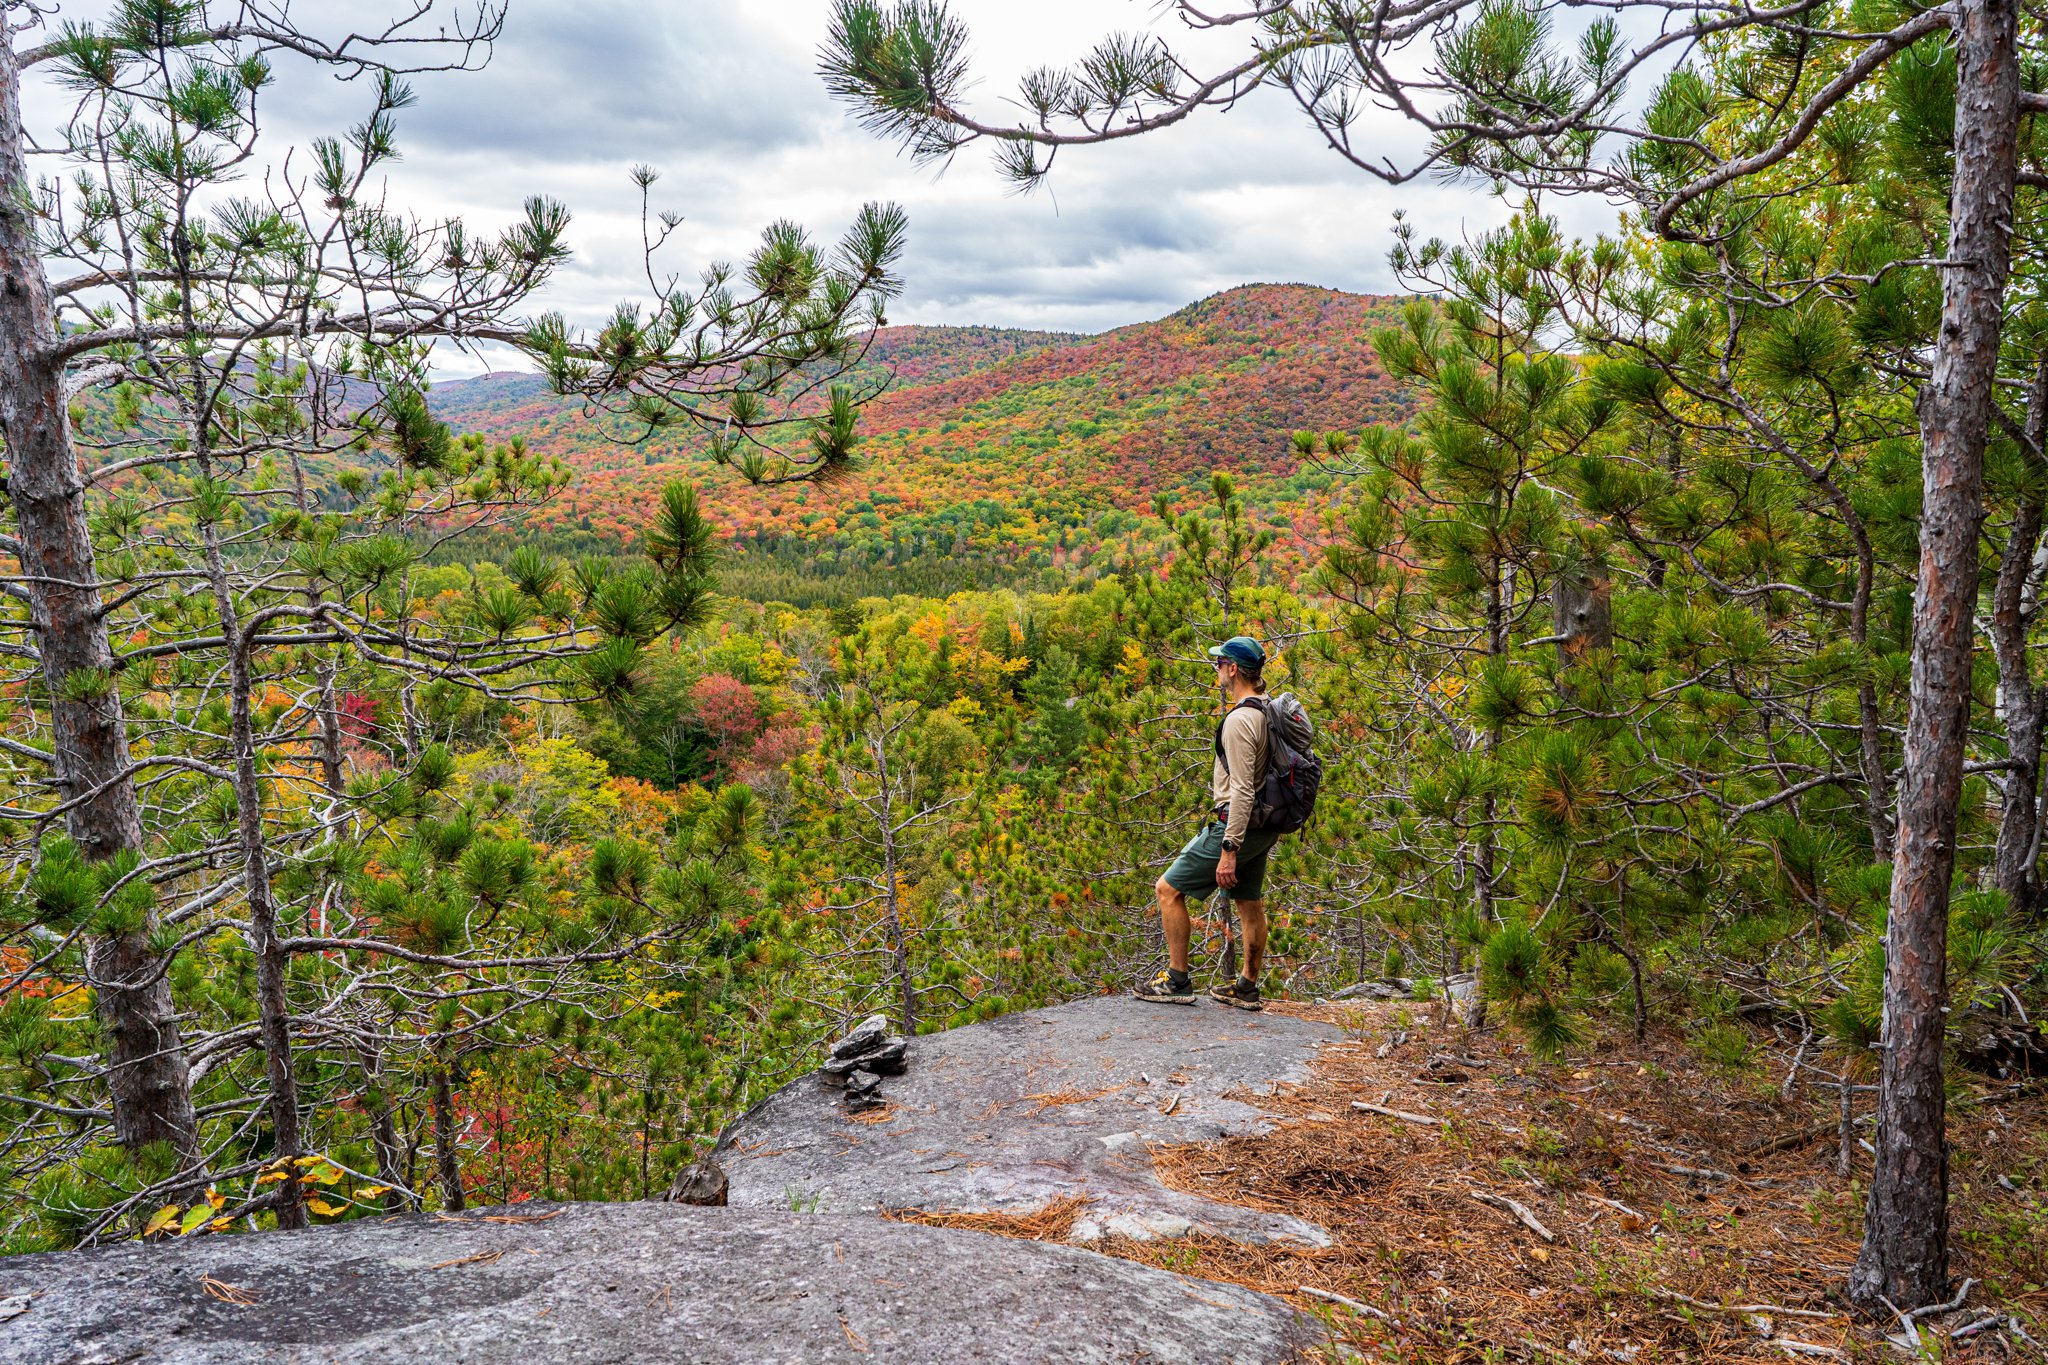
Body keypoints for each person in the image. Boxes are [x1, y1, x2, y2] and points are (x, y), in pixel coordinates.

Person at [1136, 636, 1282, 1010]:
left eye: (1219, 663)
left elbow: (1242, 789)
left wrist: (1229, 848)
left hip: (1238, 824)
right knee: (1249, 902)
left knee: (1168, 890)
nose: (1216, 669)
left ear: (1233, 669)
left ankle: (1177, 980)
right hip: (1264, 824)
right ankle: (1246, 987)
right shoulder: (1267, 709)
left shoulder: (1240, 720)